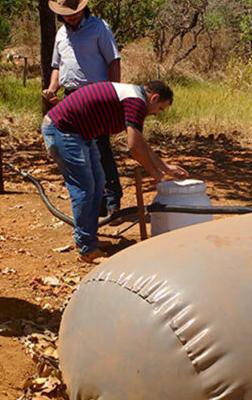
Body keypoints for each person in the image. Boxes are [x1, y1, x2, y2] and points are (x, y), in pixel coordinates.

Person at [42, 80, 188, 263]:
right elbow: (134, 147)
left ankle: (88, 239)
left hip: (81, 133)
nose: (157, 114)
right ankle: (87, 249)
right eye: (160, 108)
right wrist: (153, 171)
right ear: (154, 97)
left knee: (98, 182)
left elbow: (140, 142)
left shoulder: (135, 97)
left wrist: (165, 168)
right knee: (85, 188)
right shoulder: (136, 102)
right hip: (63, 131)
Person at [42, 0, 124, 218]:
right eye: (67, 14)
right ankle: (94, 203)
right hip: (71, 99)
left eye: (75, 12)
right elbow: (57, 67)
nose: (72, 17)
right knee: (79, 151)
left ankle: (112, 201)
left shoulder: (99, 27)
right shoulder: (61, 34)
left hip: (97, 96)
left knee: (100, 149)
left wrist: (114, 93)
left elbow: (113, 61)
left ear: (83, 8)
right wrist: (51, 89)